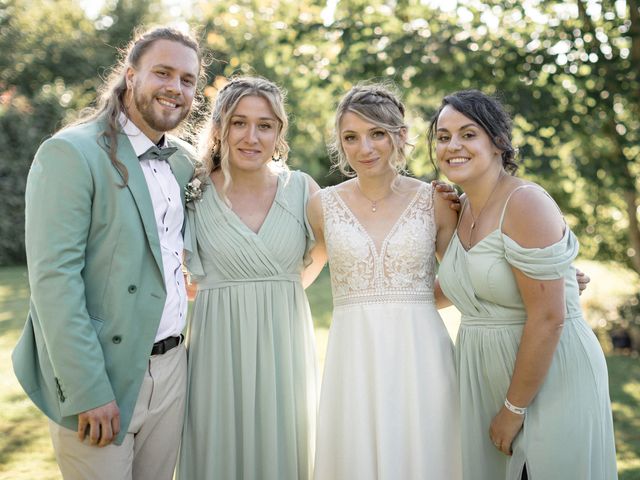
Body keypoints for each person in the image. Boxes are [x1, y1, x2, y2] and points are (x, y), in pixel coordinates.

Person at [12, 27, 203, 480]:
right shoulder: (70, 153)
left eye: (188, 79)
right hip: (105, 374)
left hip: (174, 369)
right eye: (163, 72)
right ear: (130, 75)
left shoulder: (184, 160)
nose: (176, 88)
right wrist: (86, 389)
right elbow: (54, 280)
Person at [429, 90, 618, 480]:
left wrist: (513, 410)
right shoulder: (458, 209)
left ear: (498, 142)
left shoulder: (525, 202)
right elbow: (467, 289)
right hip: (484, 375)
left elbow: (549, 317)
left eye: (468, 134)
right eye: (443, 136)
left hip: (550, 378)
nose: (453, 146)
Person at [307, 84, 463, 479]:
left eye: (377, 133)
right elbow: (297, 277)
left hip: (421, 355)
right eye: (351, 137)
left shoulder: (437, 200)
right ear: (340, 145)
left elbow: (468, 278)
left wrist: (549, 276)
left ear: (400, 136)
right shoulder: (321, 206)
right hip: (353, 357)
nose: (365, 148)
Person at [177, 76, 324, 480]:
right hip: (217, 350)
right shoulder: (193, 190)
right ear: (220, 126)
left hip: (285, 348)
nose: (251, 136)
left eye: (265, 125)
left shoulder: (302, 190)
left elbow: (330, 247)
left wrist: (278, 289)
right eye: (239, 122)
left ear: (279, 133)